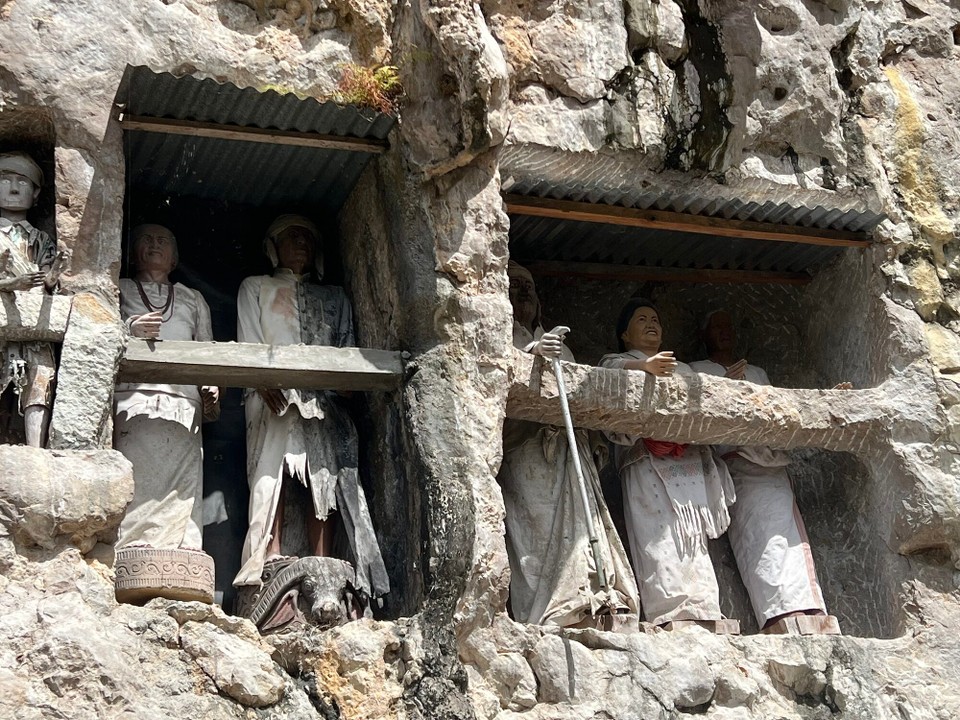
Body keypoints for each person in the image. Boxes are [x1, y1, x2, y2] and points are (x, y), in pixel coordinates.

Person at [233, 214, 388, 620]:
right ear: (273, 247)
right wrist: (260, 380)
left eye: (307, 237)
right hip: (273, 396)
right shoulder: (255, 287)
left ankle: (324, 557)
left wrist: (342, 385)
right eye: (291, 237)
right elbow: (249, 341)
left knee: (325, 476)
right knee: (276, 472)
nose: (301, 243)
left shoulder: (335, 297)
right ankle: (270, 552)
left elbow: (346, 347)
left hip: (324, 397)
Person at [499, 262, 639, 628]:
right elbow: (492, 376)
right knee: (537, 528)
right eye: (514, 285)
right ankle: (550, 609)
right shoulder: (496, 334)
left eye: (528, 287)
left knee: (582, 525)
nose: (522, 292)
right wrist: (531, 352)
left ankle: (591, 597)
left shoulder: (561, 345)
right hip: (527, 452)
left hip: (567, 449)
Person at [690, 309, 839, 633]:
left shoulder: (757, 372)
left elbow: (777, 416)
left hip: (770, 466)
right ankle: (775, 615)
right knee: (755, 538)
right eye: (716, 326)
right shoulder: (697, 371)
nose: (724, 331)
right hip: (735, 466)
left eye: (728, 325)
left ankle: (807, 608)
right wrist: (726, 390)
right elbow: (695, 419)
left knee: (787, 536)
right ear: (703, 335)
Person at [599, 298, 737, 628]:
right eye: (641, 319)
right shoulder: (617, 361)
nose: (651, 324)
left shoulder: (683, 369)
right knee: (657, 535)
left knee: (693, 538)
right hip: (646, 461)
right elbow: (606, 374)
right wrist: (644, 367)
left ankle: (703, 606)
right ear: (625, 335)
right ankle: (669, 611)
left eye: (656, 320)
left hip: (686, 463)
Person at [114, 224, 220, 551]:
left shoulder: (193, 298)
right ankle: (132, 548)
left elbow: (208, 349)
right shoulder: (119, 288)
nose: (154, 245)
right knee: (137, 477)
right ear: (132, 253)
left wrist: (213, 385)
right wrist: (129, 328)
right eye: (146, 239)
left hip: (184, 403)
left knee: (183, 484)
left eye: (163, 241)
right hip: (134, 400)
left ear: (174, 259)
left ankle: (185, 549)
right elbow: (97, 331)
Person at [0, 151, 65, 447]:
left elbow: (50, 279)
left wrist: (51, 280)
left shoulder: (41, 240)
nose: (14, 189)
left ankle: (35, 448)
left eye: (23, 182)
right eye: (5, 180)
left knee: (40, 376)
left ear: (36, 194)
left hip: (35, 323)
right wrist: (10, 284)